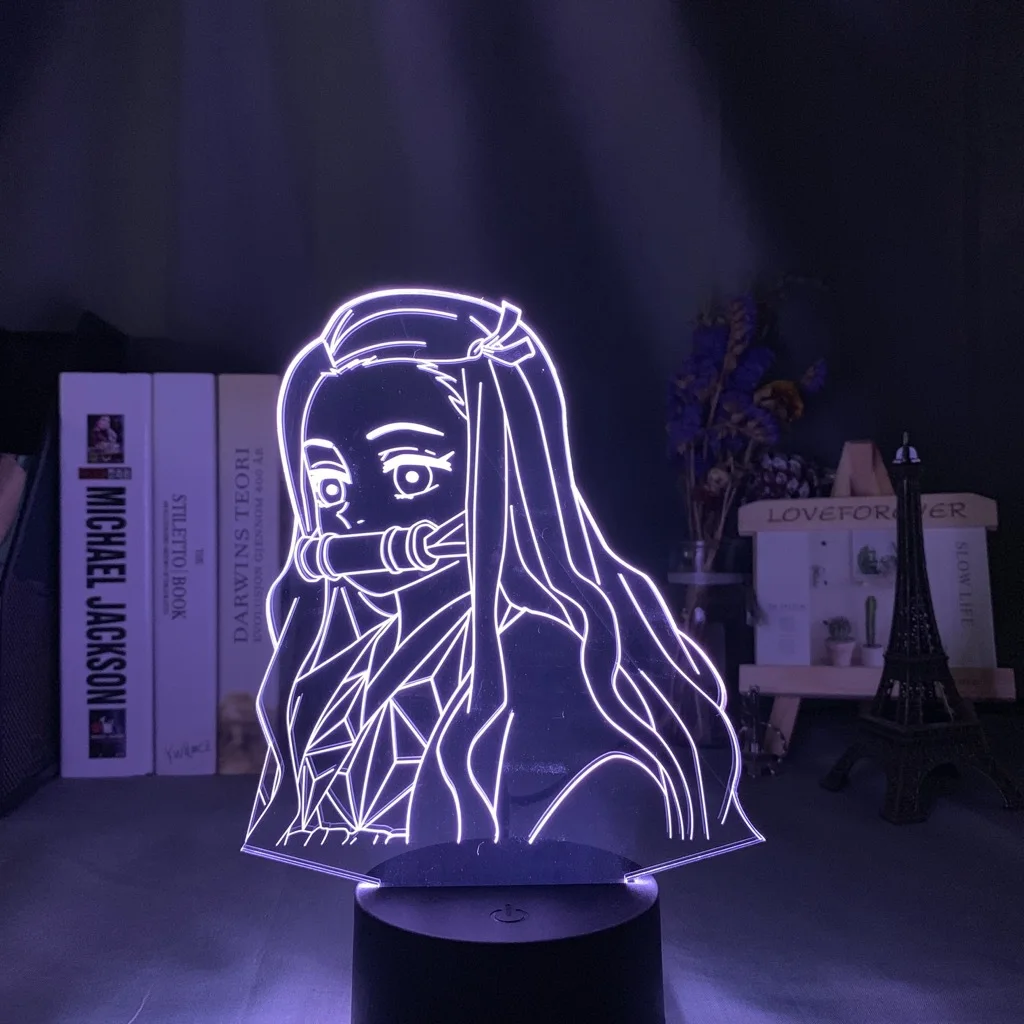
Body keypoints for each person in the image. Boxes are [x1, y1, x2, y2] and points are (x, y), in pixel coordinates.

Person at [244, 289, 760, 879]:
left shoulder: (546, 663)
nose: (355, 518)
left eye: (410, 475)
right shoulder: (334, 672)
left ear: (506, 474)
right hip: (381, 913)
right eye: (330, 487)